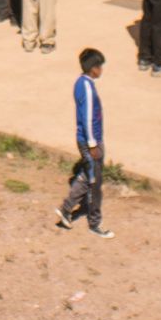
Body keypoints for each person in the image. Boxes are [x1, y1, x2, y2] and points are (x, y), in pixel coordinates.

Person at [56, 47, 112, 238]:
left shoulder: (80, 83)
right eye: (100, 66)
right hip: (91, 141)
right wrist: (93, 143)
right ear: (93, 68)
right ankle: (94, 223)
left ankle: (66, 208)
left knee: (87, 176)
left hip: (87, 139)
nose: (101, 70)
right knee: (94, 181)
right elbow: (87, 117)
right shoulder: (87, 88)